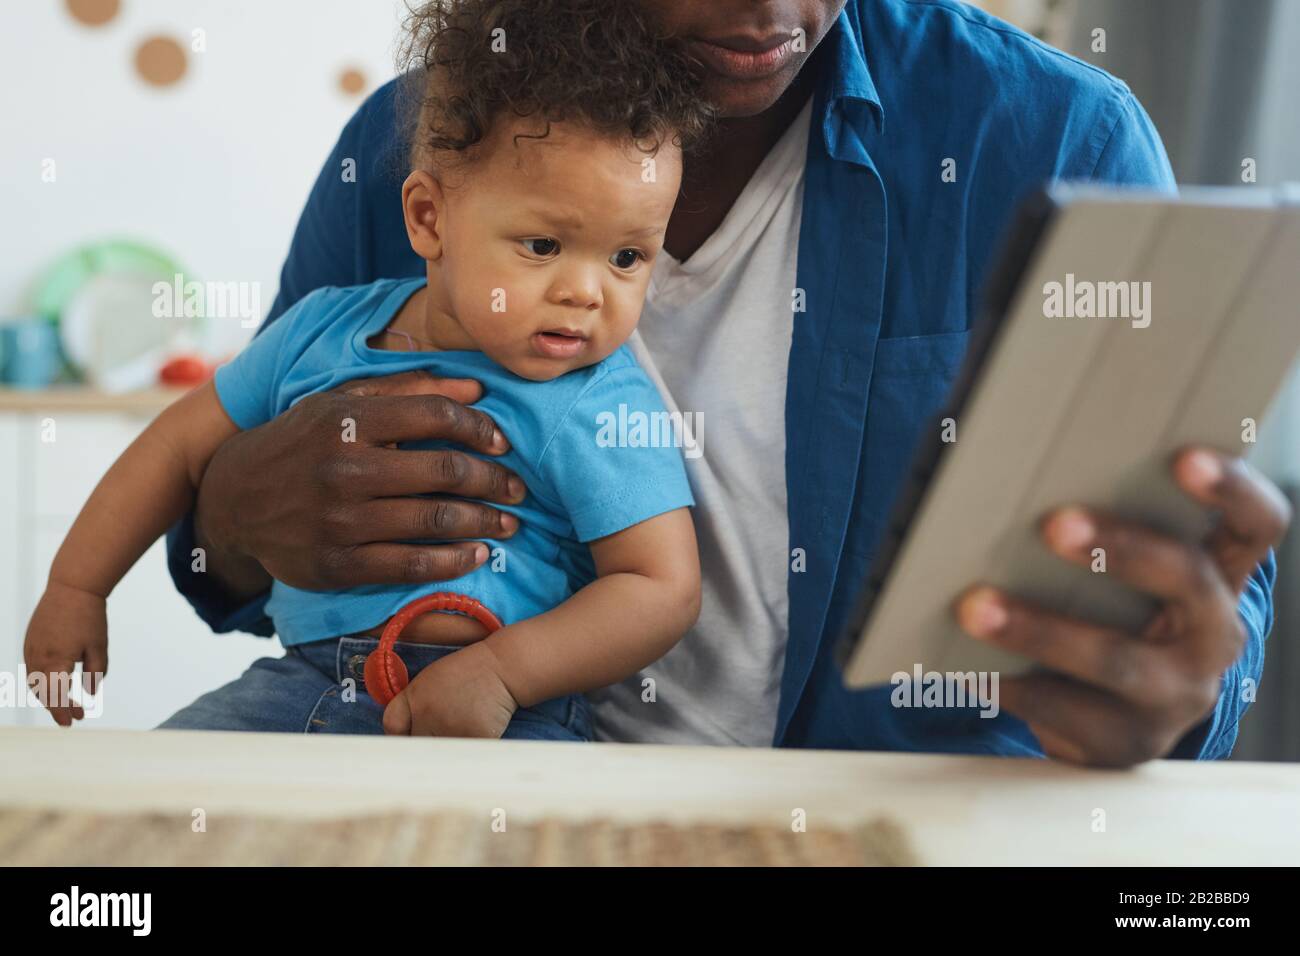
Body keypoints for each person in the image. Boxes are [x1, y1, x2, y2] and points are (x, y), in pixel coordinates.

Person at [165, 0, 1289, 765]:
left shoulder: (1052, 134)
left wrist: (1176, 681)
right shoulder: (419, 144)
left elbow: (1187, 586)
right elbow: (229, 547)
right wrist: (230, 510)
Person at [24, 0, 708, 741]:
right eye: (543, 246)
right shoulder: (320, 328)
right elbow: (174, 446)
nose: (586, 292)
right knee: (145, 806)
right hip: (301, 685)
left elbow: (660, 587)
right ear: (428, 219)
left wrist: (504, 672)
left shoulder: (600, 399)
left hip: (501, 711)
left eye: (627, 257)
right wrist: (76, 587)